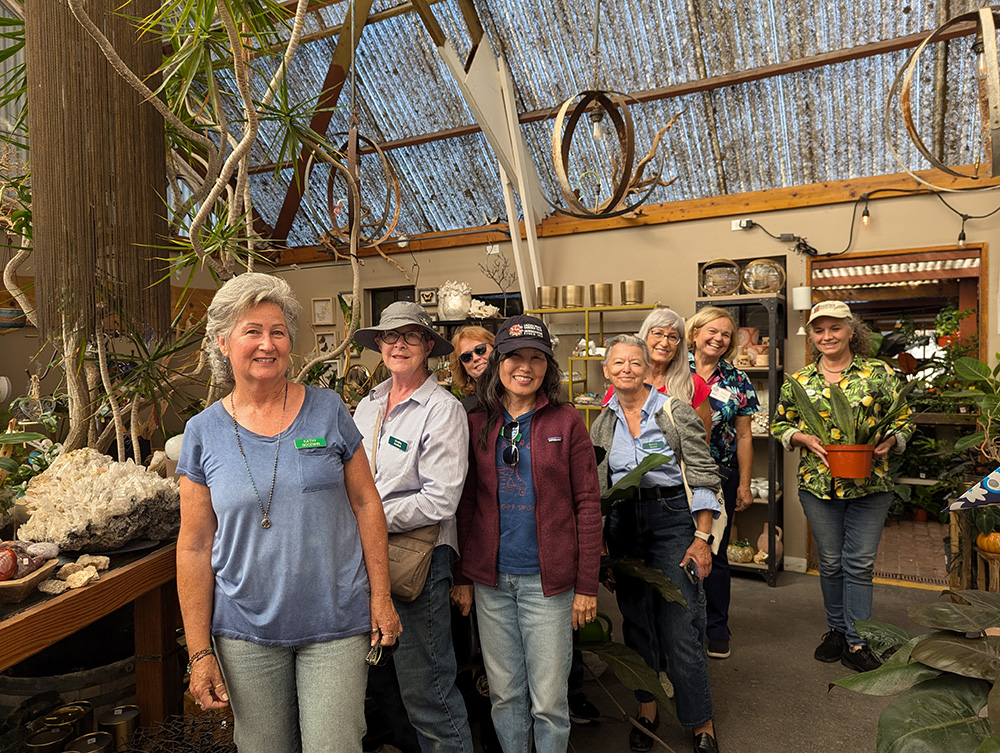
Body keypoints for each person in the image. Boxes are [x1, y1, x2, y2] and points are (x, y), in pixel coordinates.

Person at [176, 272, 400, 753]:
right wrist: (199, 652)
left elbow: (366, 503)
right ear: (223, 342)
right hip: (244, 630)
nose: (267, 343)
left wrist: (380, 597)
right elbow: (194, 545)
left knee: (336, 745)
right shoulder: (201, 432)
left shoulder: (327, 410)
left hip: (335, 621)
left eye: (278, 331)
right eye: (251, 331)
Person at [452, 315, 602, 753]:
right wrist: (463, 575)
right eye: (515, 355)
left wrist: (586, 586)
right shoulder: (477, 420)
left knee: (550, 703)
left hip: (548, 584)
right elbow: (466, 503)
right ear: (498, 361)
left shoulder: (567, 421)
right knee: (505, 696)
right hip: (492, 582)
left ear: (548, 367)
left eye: (536, 358)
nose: (525, 366)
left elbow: (588, 505)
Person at [353, 301, 475, 753]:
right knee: (382, 679)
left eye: (410, 336)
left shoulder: (443, 410)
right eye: (390, 336)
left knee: (427, 686)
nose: (398, 344)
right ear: (379, 345)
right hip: (367, 554)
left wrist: (368, 516)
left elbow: (441, 498)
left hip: (418, 559)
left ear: (427, 346)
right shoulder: (367, 405)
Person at [592, 335, 721, 753]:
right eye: (618, 363)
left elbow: (703, 473)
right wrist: (602, 544)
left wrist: (702, 538)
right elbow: (599, 485)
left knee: (680, 623)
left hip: (671, 520)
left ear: (648, 369)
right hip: (623, 523)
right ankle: (647, 707)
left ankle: (701, 722)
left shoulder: (673, 411)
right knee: (636, 621)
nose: (626, 368)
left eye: (635, 362)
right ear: (607, 371)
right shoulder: (602, 421)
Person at [771, 300, 913, 673]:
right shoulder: (800, 381)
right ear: (812, 335)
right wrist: (801, 437)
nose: (826, 336)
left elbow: (903, 418)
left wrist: (892, 441)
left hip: (871, 484)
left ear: (852, 330)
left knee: (860, 564)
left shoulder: (877, 373)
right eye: (819, 330)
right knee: (831, 563)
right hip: (818, 486)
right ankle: (835, 629)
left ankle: (856, 639)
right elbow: (778, 424)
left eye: (835, 328)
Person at [686, 306, 759, 660]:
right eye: (711, 331)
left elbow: (744, 435)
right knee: (676, 550)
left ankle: (717, 627)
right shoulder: (671, 370)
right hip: (674, 476)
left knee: (714, 551)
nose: (718, 338)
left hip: (719, 476)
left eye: (726, 334)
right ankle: (681, 626)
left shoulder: (736, 380)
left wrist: (744, 484)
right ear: (695, 333)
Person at [603, 308, 712, 438]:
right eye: (658, 333)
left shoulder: (694, 385)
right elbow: (606, 438)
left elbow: (702, 444)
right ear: (645, 337)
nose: (664, 343)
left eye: (673, 337)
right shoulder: (623, 383)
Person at [450, 325, 495, 410]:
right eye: (466, 357)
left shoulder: (518, 392)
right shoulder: (467, 410)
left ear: (494, 348)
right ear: (463, 368)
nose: (475, 358)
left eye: (480, 349)